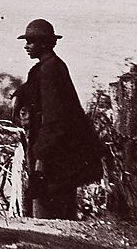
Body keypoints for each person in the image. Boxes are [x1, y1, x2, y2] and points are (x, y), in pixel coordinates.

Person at [13, 18, 97, 220]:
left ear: (44, 43)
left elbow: (55, 119)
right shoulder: (46, 68)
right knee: (54, 205)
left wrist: (41, 157)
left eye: (31, 41)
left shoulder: (50, 69)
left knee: (48, 208)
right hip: (55, 153)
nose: (26, 46)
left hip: (54, 157)